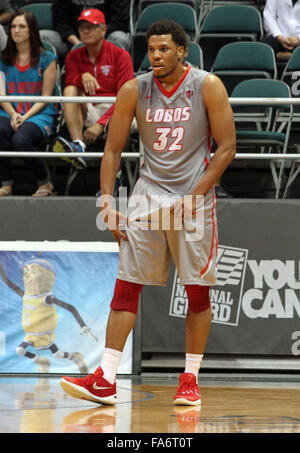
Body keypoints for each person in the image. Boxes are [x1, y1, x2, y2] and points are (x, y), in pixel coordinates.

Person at [60, 20, 236, 406]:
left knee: (197, 293)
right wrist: (107, 202)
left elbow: (226, 148)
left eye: (163, 50)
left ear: (181, 51)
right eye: (151, 50)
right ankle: (105, 376)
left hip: (194, 197)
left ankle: (189, 379)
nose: (155, 56)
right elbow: (112, 151)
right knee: (126, 287)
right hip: (147, 196)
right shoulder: (132, 90)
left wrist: (197, 194)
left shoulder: (207, 85)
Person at [53, 8, 134, 172]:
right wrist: (82, 76)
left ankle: (116, 176)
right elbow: (70, 83)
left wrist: (100, 124)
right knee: (70, 90)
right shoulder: (73, 56)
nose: (85, 31)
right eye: (82, 27)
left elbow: (126, 98)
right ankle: (78, 147)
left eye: (91, 26)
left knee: (118, 124)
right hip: (88, 108)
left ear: (103, 30)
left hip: (117, 109)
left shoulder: (120, 55)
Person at [0, 10, 58, 196]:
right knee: (0, 131)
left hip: (39, 113)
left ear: (31, 30)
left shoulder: (47, 58)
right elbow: (2, 95)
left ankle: (45, 183)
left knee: (20, 140)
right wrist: (13, 114)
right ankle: (6, 183)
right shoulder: (2, 59)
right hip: (8, 110)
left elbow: (46, 96)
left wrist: (24, 116)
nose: (16, 30)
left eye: (21, 26)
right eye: (13, 27)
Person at [40, 0, 130, 61]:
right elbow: (60, 21)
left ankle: (111, 74)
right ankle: (50, 78)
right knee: (41, 36)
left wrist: (97, 39)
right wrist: (77, 44)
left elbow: (120, 21)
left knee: (120, 38)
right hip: (71, 41)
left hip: (104, 38)